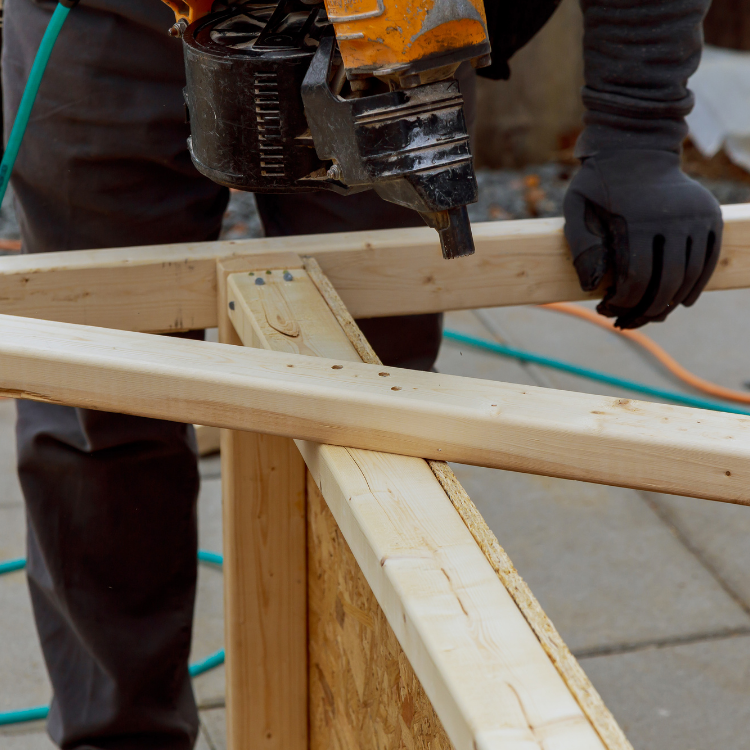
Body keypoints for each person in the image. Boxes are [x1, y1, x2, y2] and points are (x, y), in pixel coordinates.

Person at [2, 0, 718, 748]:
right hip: (106, 18)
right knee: (97, 393)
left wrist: (637, 133)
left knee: (374, 409)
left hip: (384, 22)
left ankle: (356, 727)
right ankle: (118, 736)